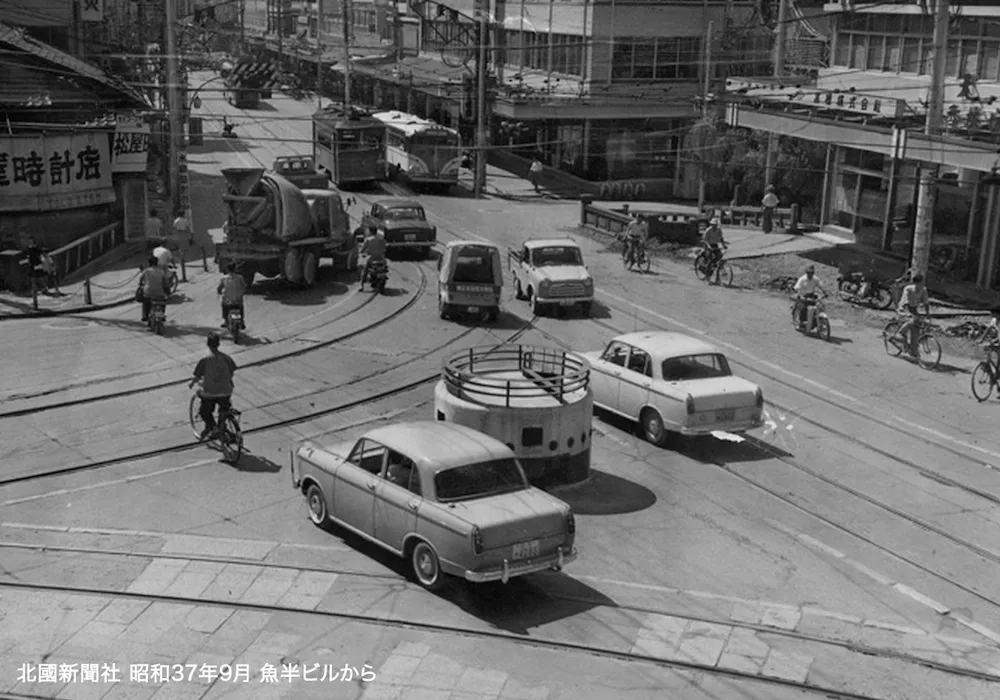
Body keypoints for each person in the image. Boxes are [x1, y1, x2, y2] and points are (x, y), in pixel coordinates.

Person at [188, 332, 238, 441]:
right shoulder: (226, 358)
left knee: (205, 411)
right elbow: (232, 372)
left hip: (210, 392)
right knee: (224, 408)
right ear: (218, 344)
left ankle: (213, 427)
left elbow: (197, 376)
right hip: (226, 390)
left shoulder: (204, 360)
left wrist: (192, 383)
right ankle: (223, 426)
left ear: (208, 344)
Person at [897, 273, 930, 358]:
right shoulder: (908, 289)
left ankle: (913, 348)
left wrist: (927, 315)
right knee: (911, 322)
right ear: (916, 283)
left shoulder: (924, 290)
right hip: (904, 309)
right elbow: (906, 301)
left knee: (916, 328)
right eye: (921, 282)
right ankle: (900, 334)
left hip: (914, 310)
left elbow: (926, 303)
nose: (922, 284)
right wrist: (910, 313)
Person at [793, 264, 828, 329]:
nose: (810, 274)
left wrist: (825, 292)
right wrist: (801, 296)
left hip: (811, 295)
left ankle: (817, 320)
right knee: (803, 308)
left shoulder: (815, 279)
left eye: (812, 273)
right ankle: (801, 322)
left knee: (820, 306)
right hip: (803, 296)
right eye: (809, 273)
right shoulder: (802, 279)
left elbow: (820, 285)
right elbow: (797, 288)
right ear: (806, 272)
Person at [217, 262, 247, 329]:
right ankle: (241, 321)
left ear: (228, 269)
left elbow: (219, 288)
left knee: (223, 305)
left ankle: (225, 321)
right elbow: (244, 286)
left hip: (227, 300)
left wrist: (219, 292)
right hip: (238, 300)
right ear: (235, 269)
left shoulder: (224, 278)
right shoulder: (240, 277)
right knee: (241, 307)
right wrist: (241, 293)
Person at [139, 254, 167, 324]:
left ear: (149, 263)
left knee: (145, 303)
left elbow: (141, 279)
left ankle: (145, 316)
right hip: (159, 293)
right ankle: (162, 315)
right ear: (157, 263)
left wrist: (140, 284)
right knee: (162, 303)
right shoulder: (161, 271)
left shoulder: (146, 271)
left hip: (148, 292)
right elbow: (166, 282)